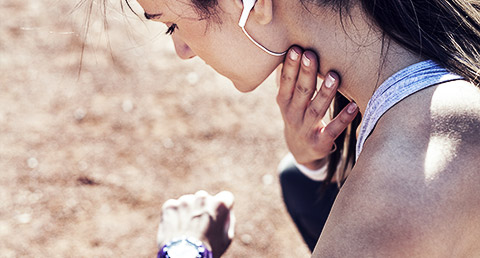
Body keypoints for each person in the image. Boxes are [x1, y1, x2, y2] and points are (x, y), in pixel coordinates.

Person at [103, 0, 480, 256]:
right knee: (298, 179)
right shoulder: (437, 68)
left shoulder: (404, 184)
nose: (182, 49)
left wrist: (184, 250)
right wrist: (311, 163)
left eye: (172, 24)